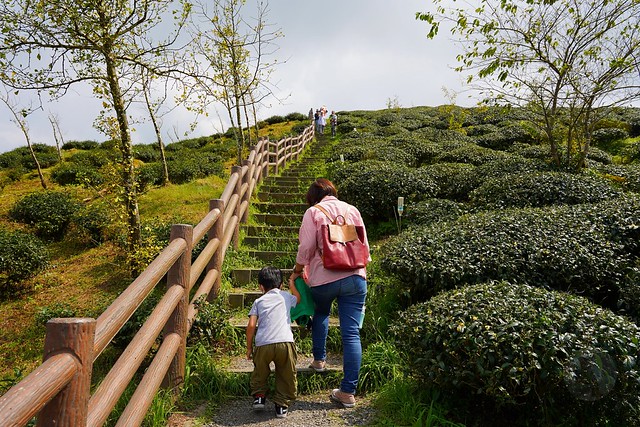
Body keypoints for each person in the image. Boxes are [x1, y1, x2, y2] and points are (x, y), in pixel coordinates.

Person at [288, 178, 370, 409]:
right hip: (356, 277)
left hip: (325, 278)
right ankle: (347, 392)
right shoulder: (352, 209)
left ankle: (319, 361)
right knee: (352, 334)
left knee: (322, 313)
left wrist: (296, 271)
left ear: (312, 197)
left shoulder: (314, 212)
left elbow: (305, 248)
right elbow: (364, 245)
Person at [247, 266, 301, 418]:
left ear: (260, 287)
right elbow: (298, 298)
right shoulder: (285, 296)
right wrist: (292, 285)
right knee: (286, 373)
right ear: (281, 285)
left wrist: (249, 348)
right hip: (285, 341)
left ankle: (259, 397)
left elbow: (251, 326)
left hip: (263, 343)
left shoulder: (258, 301)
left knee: (260, 371)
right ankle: (281, 405)